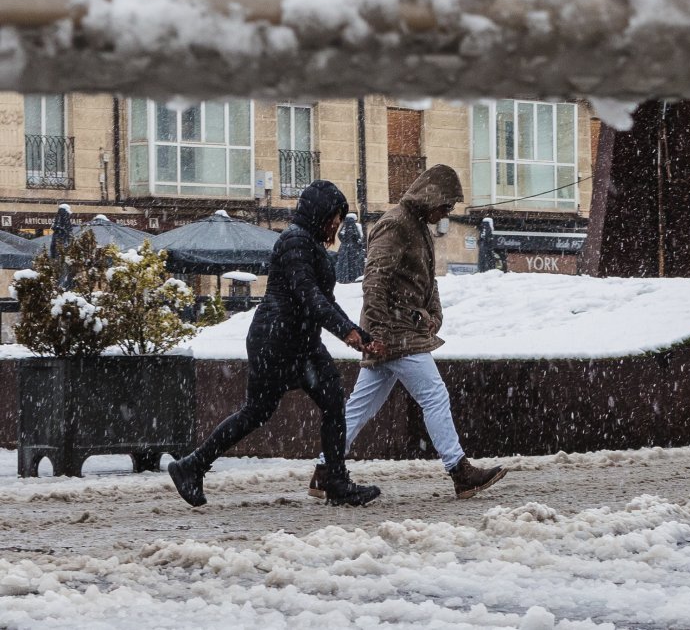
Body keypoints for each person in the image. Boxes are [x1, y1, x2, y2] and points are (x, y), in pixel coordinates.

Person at [169, 180, 386, 508]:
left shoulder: (308, 242)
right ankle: (192, 465)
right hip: (277, 340)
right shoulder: (295, 242)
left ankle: (335, 480)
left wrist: (357, 333)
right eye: (334, 218)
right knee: (260, 410)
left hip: (299, 340)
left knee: (329, 401)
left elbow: (323, 299)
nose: (337, 225)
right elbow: (309, 295)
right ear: (319, 213)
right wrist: (347, 332)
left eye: (340, 220)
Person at [308, 165, 507, 500]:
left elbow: (427, 281)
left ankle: (324, 471)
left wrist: (435, 315)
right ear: (430, 197)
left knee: (360, 406)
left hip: (396, 331)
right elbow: (374, 281)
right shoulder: (396, 224)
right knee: (434, 396)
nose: (448, 213)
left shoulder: (414, 225)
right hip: (396, 333)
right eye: (446, 206)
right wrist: (379, 333)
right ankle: (460, 471)